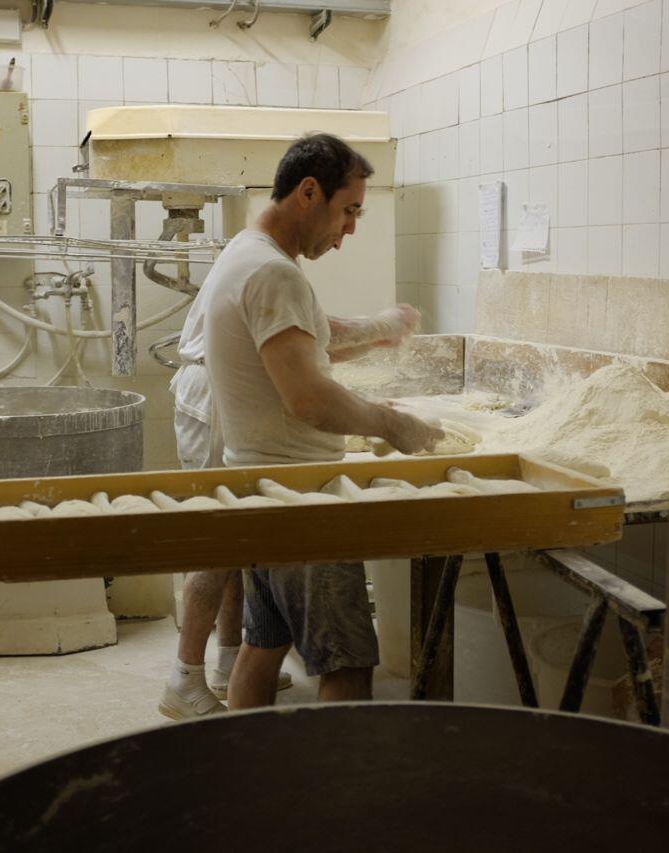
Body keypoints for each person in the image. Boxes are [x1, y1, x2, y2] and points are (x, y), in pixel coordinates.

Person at [196, 132, 443, 713]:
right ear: (309, 193)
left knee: (263, 646)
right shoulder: (274, 274)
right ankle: (336, 794)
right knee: (347, 662)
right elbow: (307, 396)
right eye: (349, 209)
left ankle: (250, 766)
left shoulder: (246, 253)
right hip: (302, 501)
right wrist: (391, 424)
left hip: (260, 488)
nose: (351, 228)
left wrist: (380, 328)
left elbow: (306, 338)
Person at [159, 291, 421, 720]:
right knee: (223, 539)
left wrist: (370, 342)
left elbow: (302, 347)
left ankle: (226, 661)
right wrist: (382, 327)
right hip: (223, 401)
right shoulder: (268, 266)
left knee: (243, 558)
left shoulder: (264, 261)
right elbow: (312, 367)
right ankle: (184, 677)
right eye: (346, 217)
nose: (345, 233)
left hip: (232, 402)